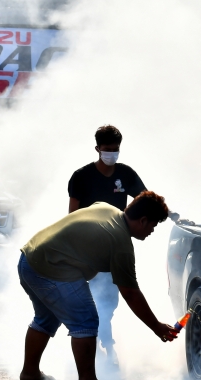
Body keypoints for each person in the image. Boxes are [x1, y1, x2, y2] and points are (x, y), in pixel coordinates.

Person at [17, 192, 179, 380]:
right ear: (143, 220)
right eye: (153, 225)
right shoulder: (121, 244)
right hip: (51, 269)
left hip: (29, 260)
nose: (152, 231)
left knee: (46, 317)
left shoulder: (106, 207)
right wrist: (156, 327)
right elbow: (130, 293)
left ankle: (30, 372)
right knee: (86, 320)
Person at [68, 125, 147, 364]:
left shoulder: (126, 174)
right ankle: (101, 349)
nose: (111, 154)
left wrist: (170, 214)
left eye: (116, 149)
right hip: (86, 251)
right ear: (97, 149)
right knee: (89, 302)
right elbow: (72, 215)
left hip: (113, 248)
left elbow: (146, 199)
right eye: (107, 149)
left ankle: (105, 343)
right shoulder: (81, 177)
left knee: (108, 302)